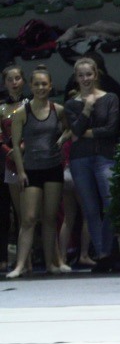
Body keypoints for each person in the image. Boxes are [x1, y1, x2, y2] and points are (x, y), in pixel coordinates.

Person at [4, 68, 69, 278]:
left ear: (50, 86)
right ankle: (20, 265)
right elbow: (15, 144)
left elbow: (69, 128)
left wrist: (62, 139)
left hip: (53, 168)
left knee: (50, 218)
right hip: (31, 169)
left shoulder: (58, 109)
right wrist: (21, 171)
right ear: (31, 86)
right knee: (29, 218)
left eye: (44, 84)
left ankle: (51, 264)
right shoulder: (22, 112)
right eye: (37, 84)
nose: (41, 88)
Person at [64, 56, 120, 273]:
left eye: (89, 74)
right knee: (90, 209)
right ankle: (102, 254)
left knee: (111, 203)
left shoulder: (110, 98)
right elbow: (75, 131)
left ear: (95, 74)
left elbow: (111, 129)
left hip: (105, 156)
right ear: (76, 78)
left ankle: (107, 249)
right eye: (81, 75)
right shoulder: (71, 104)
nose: (85, 78)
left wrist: (85, 133)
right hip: (80, 159)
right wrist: (86, 109)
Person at [1, 65, 29, 273]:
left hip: (30, 159)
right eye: (10, 79)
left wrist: (23, 147)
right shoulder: (1, 108)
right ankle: (14, 259)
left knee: (30, 214)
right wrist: (10, 151)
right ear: (4, 83)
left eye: (17, 78)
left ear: (23, 81)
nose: (14, 82)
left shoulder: (30, 104)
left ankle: (29, 258)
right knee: (12, 212)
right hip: (8, 161)